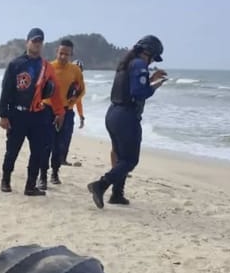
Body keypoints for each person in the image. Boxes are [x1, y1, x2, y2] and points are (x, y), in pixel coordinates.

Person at [88, 35, 167, 207]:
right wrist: (155, 86)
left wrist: (151, 79)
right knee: (130, 160)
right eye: (153, 57)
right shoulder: (139, 64)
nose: (152, 61)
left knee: (120, 156)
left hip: (113, 113)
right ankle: (101, 185)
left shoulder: (127, 64)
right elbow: (139, 92)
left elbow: (131, 86)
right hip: (126, 116)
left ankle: (117, 194)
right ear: (149, 53)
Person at [0, 28, 63, 196]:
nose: (37, 44)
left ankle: (30, 185)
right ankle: (6, 179)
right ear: (27, 42)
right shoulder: (16, 64)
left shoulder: (46, 67)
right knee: (12, 149)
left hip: (39, 115)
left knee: (38, 152)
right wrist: (3, 114)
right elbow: (6, 90)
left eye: (40, 41)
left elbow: (55, 91)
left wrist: (59, 112)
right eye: (34, 41)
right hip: (18, 114)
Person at [49, 39, 85, 180]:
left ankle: (55, 173)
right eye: (61, 53)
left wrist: (72, 102)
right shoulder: (49, 67)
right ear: (56, 52)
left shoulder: (75, 70)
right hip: (48, 110)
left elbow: (81, 90)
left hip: (66, 111)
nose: (63, 57)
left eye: (67, 54)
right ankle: (42, 176)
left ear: (71, 55)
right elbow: (39, 89)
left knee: (61, 144)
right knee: (45, 143)